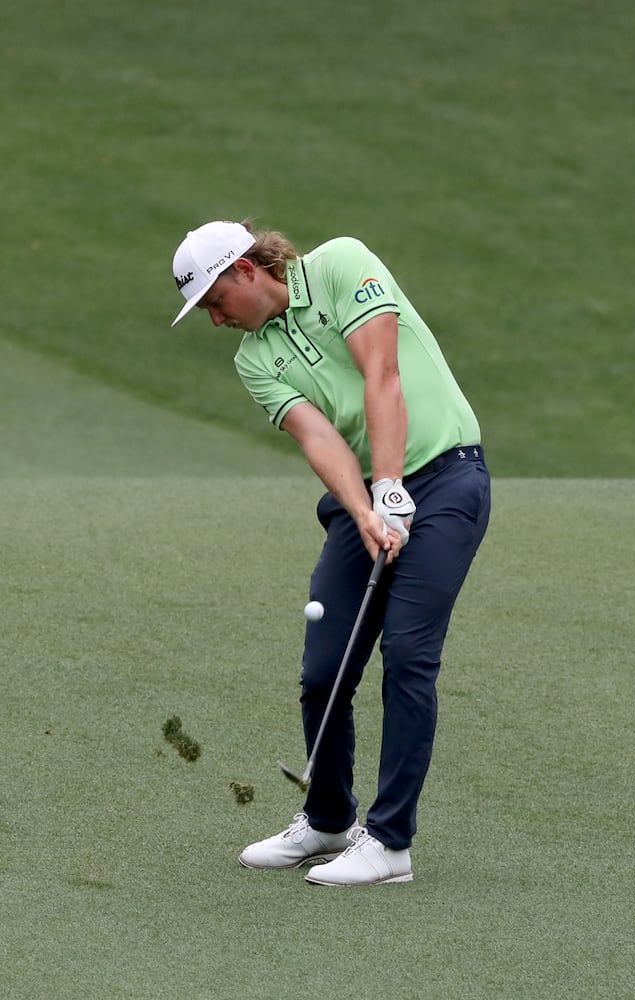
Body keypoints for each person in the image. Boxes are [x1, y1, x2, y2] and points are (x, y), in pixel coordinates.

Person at [170, 219, 491, 886]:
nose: (216, 320)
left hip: (447, 478)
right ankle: (328, 820)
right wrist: (368, 509)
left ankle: (390, 843)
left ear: (246, 271)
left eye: (214, 302)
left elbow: (383, 370)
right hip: (373, 492)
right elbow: (321, 439)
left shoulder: (344, 264)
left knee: (406, 657)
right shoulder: (254, 358)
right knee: (324, 668)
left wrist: (395, 484)